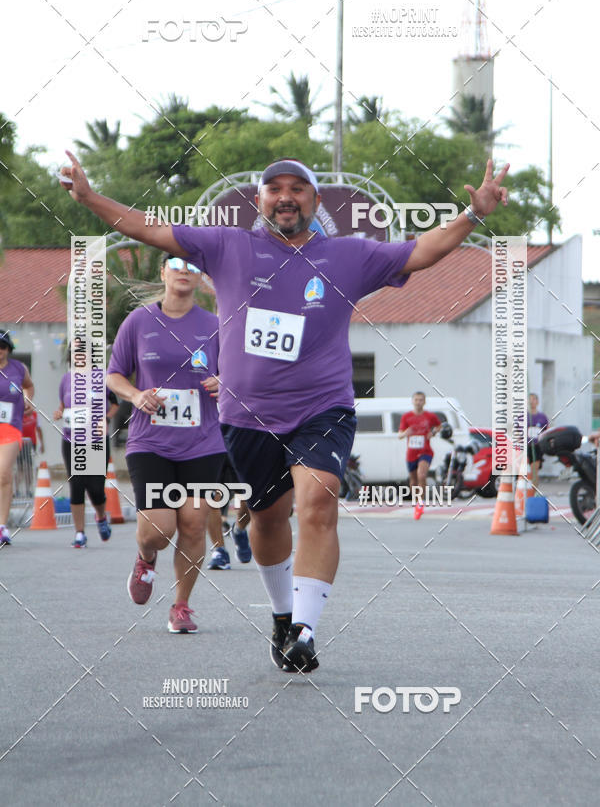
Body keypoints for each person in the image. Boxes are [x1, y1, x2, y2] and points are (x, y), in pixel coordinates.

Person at [61, 151, 509, 670]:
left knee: (318, 501)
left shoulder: (348, 256)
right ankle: (281, 617)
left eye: (298, 188)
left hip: (323, 408)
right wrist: (90, 198)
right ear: (260, 200)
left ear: (315, 201)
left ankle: (305, 628)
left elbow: (421, 251)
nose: (286, 196)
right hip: (246, 416)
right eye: (276, 188)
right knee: (267, 519)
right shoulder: (228, 246)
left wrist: (472, 215)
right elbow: (150, 230)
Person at [106, 253, 227, 633]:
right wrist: (136, 395)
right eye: (176, 264)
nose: (185, 272)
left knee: (193, 525)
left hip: (204, 442)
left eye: (193, 266)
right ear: (163, 272)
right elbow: (113, 375)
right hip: (151, 442)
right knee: (159, 531)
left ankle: (181, 606)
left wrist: (227, 383)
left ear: (200, 277)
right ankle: (145, 558)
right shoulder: (139, 322)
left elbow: (243, 374)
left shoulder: (216, 325)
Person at [54, 351, 119, 547]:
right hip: (72, 439)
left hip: (96, 439)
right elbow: (63, 405)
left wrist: (105, 418)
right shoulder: (66, 379)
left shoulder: (103, 377)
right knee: (76, 484)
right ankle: (80, 533)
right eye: (75, 353)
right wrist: (59, 412)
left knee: (96, 488)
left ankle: (101, 517)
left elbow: (115, 404)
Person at [0, 330, 35, 545]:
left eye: (3, 347)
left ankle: (2, 526)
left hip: (10, 427)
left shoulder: (19, 369)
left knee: (3, 473)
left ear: (9, 349)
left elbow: (29, 386)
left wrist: (28, 400)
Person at [397, 392, 441, 520]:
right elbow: (399, 435)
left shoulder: (429, 416)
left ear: (425, 402)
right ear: (412, 401)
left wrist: (432, 432)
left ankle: (421, 504)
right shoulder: (406, 417)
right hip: (411, 452)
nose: (418, 402)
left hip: (425, 451)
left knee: (421, 475)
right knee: (413, 480)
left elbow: (439, 426)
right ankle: (416, 502)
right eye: (416, 400)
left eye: (421, 400)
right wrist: (405, 433)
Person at [207, 456, 252, 569]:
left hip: (240, 443)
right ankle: (219, 551)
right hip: (212, 444)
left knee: (250, 501)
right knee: (211, 496)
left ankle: (238, 530)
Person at [527, 392, 549, 487]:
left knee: (534, 470)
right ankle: (524, 491)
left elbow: (547, 430)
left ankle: (534, 490)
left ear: (537, 402)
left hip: (537, 446)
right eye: (530, 400)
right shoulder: (523, 416)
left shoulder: (542, 417)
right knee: (526, 471)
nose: (531, 402)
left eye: (534, 399)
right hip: (526, 446)